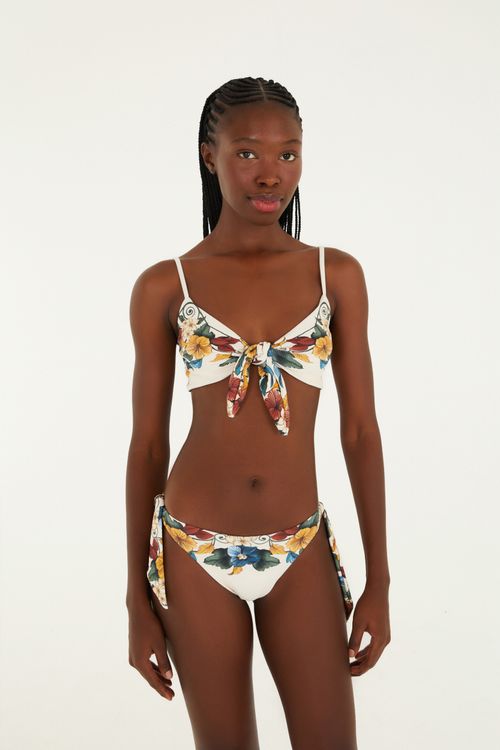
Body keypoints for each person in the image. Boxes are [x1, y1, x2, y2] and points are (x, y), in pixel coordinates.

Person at [125, 76, 391, 750]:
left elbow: (360, 432)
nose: (270, 173)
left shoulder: (336, 275)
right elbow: (148, 446)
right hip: (192, 549)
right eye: (246, 153)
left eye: (288, 153)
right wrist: (136, 597)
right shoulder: (165, 285)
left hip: (299, 544)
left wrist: (380, 582)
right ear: (208, 156)